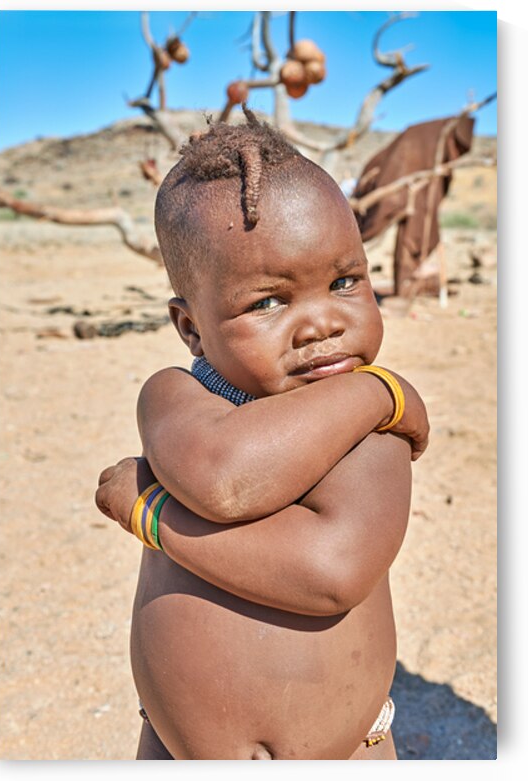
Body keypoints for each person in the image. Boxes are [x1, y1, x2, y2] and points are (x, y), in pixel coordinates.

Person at [95, 107, 429, 760]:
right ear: (190, 329)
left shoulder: (365, 433)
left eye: (343, 282)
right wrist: (380, 391)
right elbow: (225, 474)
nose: (321, 324)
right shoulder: (176, 396)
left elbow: (330, 570)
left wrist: (152, 511)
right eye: (269, 302)